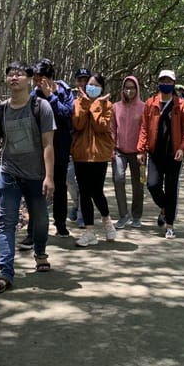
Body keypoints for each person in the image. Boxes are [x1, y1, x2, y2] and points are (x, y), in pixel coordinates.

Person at [0, 61, 55, 293]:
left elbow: (48, 144)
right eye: (10, 74)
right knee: (6, 223)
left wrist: (49, 176)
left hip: (36, 175)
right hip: (9, 173)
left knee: (40, 220)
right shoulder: (0, 110)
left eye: (19, 74)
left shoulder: (41, 107)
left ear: (29, 79)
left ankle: (40, 252)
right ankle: (5, 273)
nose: (14, 78)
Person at [137, 69, 184, 239]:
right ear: (158, 83)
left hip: (174, 155)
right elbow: (144, 128)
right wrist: (141, 150)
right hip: (155, 153)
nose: (166, 84)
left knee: (171, 189)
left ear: (173, 84)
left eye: (169, 82)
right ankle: (163, 208)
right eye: (163, 81)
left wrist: (182, 148)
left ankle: (169, 224)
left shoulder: (180, 105)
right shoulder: (150, 103)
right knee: (152, 185)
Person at [26, 58, 74, 238]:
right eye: (36, 79)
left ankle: (60, 224)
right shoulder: (33, 95)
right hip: (40, 150)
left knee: (60, 188)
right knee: (37, 190)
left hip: (60, 148)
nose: (38, 83)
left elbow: (68, 114)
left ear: (49, 77)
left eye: (40, 79)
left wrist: (51, 97)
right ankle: (33, 230)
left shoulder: (65, 91)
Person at [70, 71, 117, 246]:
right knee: (84, 192)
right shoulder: (78, 103)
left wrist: (96, 104)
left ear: (102, 88)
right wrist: (84, 103)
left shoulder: (107, 105)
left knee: (96, 191)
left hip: (99, 155)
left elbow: (101, 127)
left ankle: (107, 222)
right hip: (81, 154)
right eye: (90, 84)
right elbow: (78, 124)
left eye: (97, 85)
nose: (92, 87)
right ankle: (89, 232)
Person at [110, 75, 145, 229]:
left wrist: (143, 151)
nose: (129, 90)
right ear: (122, 89)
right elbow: (112, 129)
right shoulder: (116, 107)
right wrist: (111, 147)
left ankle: (136, 216)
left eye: (132, 87)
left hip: (138, 153)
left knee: (139, 184)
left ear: (137, 89)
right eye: (126, 87)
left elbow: (146, 131)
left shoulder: (144, 107)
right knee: (118, 179)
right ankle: (123, 215)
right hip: (119, 151)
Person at [67, 67, 92, 226]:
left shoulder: (96, 99)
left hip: (90, 148)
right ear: (76, 82)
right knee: (68, 178)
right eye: (80, 80)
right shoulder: (69, 99)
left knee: (85, 183)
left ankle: (83, 213)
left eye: (85, 80)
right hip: (71, 146)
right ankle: (77, 203)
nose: (82, 83)